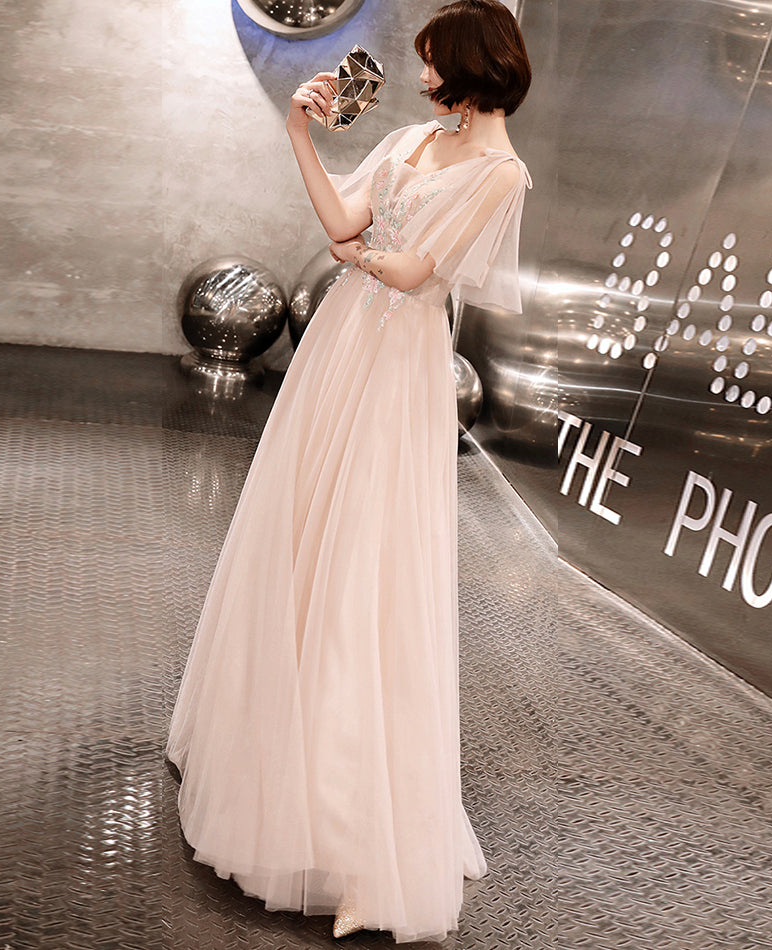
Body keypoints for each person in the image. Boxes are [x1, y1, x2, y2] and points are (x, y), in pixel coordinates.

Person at [166, 0, 532, 943]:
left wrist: (362, 254)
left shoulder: (502, 173)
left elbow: (413, 273)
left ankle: (358, 833)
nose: (421, 77)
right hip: (339, 350)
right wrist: (301, 134)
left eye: (433, 62)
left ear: (472, 67)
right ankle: (273, 761)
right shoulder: (411, 140)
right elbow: (341, 224)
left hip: (399, 367)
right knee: (303, 529)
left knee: (371, 559)